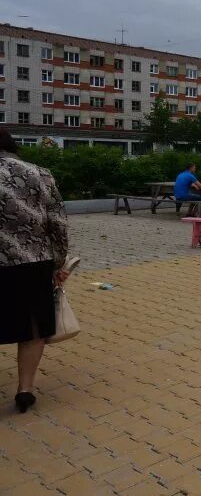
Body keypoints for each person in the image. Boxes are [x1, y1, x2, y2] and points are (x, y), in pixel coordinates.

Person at [1, 129, 70, 413]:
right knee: (32, 328)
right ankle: (25, 389)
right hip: (32, 260)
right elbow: (57, 222)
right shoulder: (39, 174)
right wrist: (59, 261)